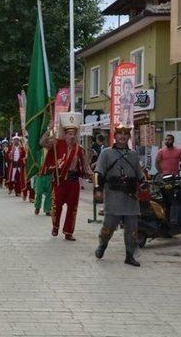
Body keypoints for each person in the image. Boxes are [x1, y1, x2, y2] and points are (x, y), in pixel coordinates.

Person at [94, 123, 143, 267]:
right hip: (113, 195)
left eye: (125, 134)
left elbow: (139, 173)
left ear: (128, 137)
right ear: (115, 136)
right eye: (120, 134)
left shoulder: (133, 154)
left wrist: (144, 181)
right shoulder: (106, 153)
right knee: (108, 227)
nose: (122, 136)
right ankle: (102, 245)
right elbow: (98, 173)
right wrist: (97, 189)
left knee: (132, 230)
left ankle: (130, 255)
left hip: (131, 197)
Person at [40, 113, 92, 241]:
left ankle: (68, 232)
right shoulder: (57, 144)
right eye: (69, 134)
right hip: (59, 181)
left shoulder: (79, 150)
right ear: (65, 134)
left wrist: (93, 176)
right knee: (56, 205)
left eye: (74, 134)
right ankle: (55, 226)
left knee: (72, 208)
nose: (72, 136)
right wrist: (49, 129)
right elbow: (42, 142)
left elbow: (86, 167)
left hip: (74, 182)